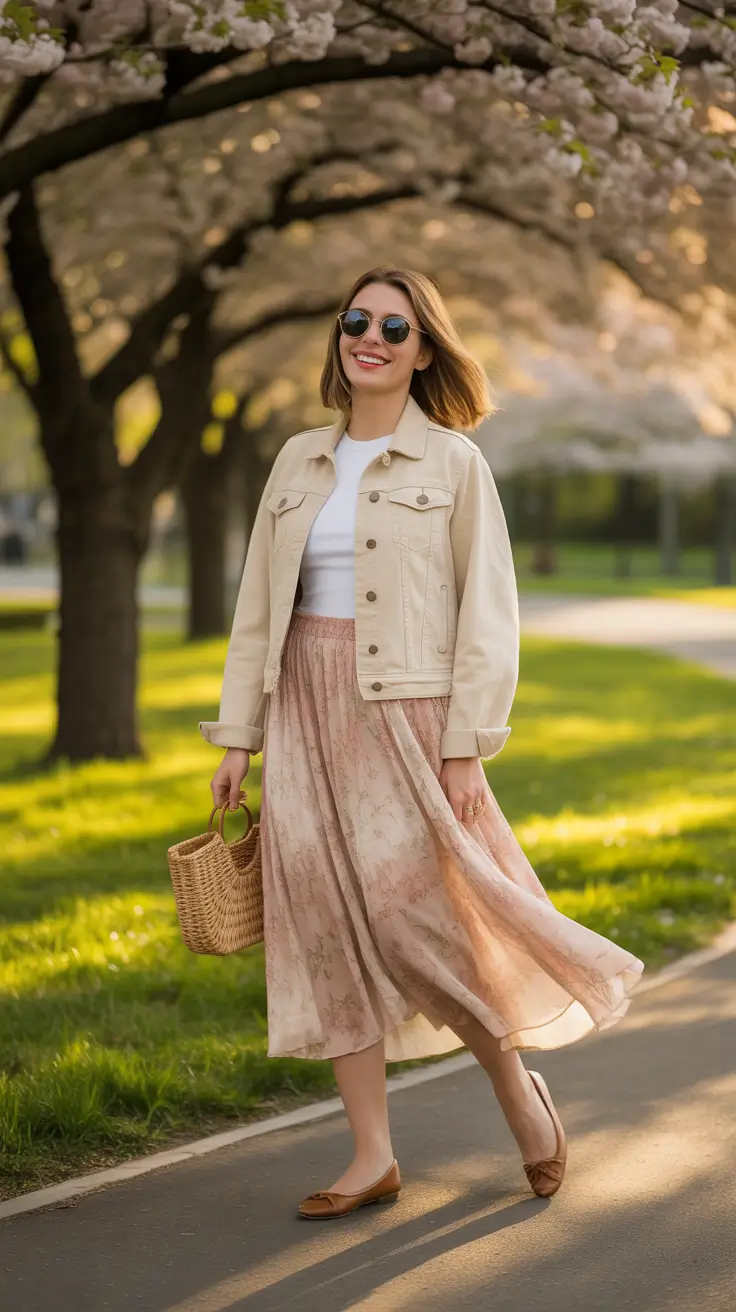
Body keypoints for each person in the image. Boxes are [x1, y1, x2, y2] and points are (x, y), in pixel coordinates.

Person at [199, 266, 645, 1219]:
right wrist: (238, 736)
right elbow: (253, 614)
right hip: (300, 714)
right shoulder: (294, 462)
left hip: (404, 713)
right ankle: (371, 1157)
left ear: (424, 349)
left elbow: (490, 613)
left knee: (426, 925)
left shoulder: (453, 466)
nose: (371, 338)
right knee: (322, 928)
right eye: (356, 321)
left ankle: (521, 1098)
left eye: (394, 329)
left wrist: (465, 743)